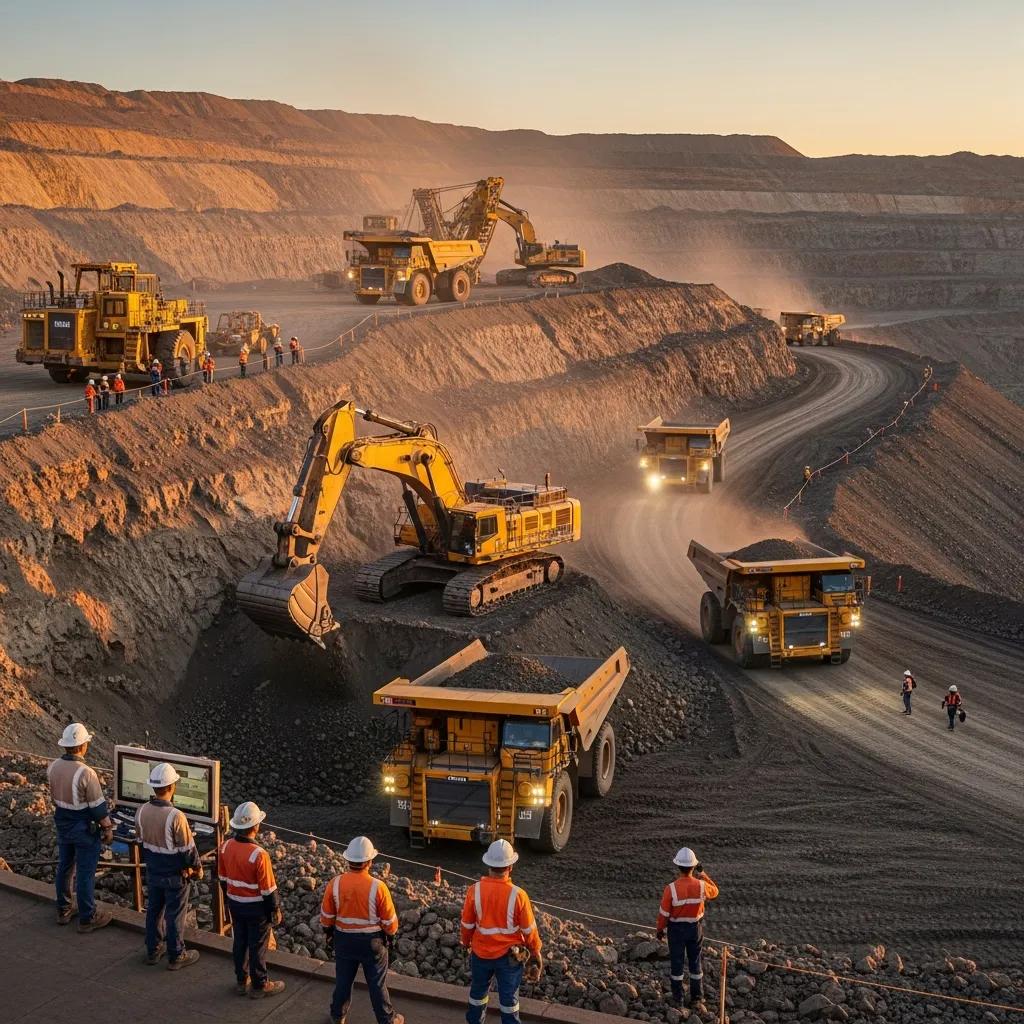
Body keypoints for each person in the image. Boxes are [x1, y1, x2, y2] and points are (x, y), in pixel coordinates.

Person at [320, 836, 403, 1024]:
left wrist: (329, 933)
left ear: (348, 860)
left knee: (343, 980)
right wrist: (389, 937)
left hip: (343, 941)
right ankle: (386, 1019)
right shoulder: (378, 887)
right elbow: (391, 924)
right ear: (370, 861)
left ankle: (337, 1016)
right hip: (372, 944)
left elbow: (326, 917)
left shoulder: (335, 883)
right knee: (377, 983)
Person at [460, 839, 542, 1024]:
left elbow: (467, 924)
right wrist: (535, 951)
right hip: (510, 957)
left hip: (481, 954)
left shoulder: (475, 891)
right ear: (510, 867)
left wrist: (465, 944)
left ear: (488, 864)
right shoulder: (518, 894)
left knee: (477, 995)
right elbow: (529, 929)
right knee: (509, 1001)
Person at [47, 723, 114, 931]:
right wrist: (108, 827)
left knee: (65, 867)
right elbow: (97, 807)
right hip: (83, 827)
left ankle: (64, 909)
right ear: (83, 746)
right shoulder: (86, 773)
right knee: (85, 872)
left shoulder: (53, 767)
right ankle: (88, 916)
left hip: (62, 822)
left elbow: (53, 796)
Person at [135, 763, 202, 970]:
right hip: (175, 875)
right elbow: (188, 849)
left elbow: (139, 840)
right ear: (172, 786)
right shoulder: (176, 816)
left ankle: (153, 950)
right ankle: (176, 954)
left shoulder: (141, 811)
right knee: (174, 914)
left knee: (154, 910)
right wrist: (196, 868)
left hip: (153, 871)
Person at [219, 801, 285, 999]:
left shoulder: (225, 847)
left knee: (240, 941)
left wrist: (230, 898)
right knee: (257, 946)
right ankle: (260, 984)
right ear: (256, 826)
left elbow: (222, 879)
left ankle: (241, 980)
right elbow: (268, 890)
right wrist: (275, 910)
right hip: (256, 908)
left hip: (235, 904)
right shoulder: (259, 855)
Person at [656, 846, 720, 1012]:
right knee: (695, 962)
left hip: (676, 930)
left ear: (678, 866)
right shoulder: (701, 885)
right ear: (694, 866)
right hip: (694, 928)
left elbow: (664, 913)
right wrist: (703, 874)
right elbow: (715, 891)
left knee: (677, 963)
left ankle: (678, 999)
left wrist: (659, 930)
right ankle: (697, 998)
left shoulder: (670, 889)